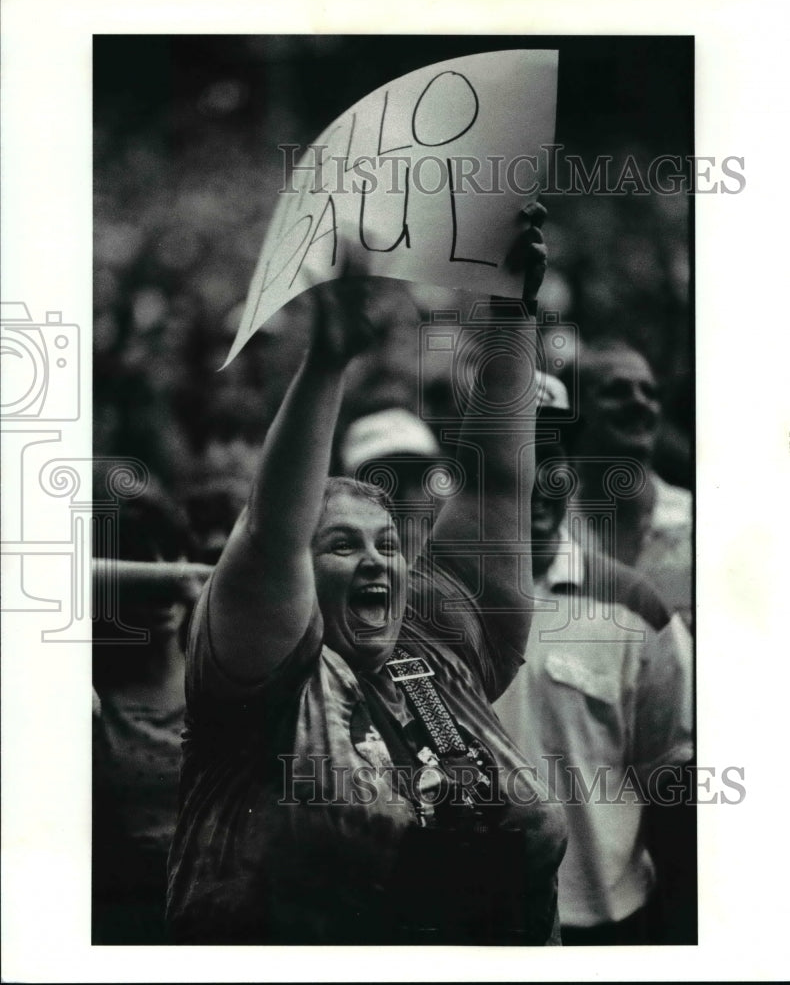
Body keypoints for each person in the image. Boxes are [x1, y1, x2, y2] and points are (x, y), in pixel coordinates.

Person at [166, 206, 569, 946]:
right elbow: (269, 535)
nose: (379, 560)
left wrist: (511, 312)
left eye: (387, 544)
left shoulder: (442, 650)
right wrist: (327, 364)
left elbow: (494, 488)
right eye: (343, 546)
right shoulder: (261, 681)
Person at [495, 373, 695, 944]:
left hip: (605, 924)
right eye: (513, 455)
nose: (536, 479)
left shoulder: (634, 606)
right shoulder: (422, 598)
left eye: (551, 455)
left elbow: (671, 777)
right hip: (466, 925)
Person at [92, 484, 210, 945]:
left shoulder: (225, 681)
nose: (164, 578)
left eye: (171, 554)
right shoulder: (86, 700)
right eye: (139, 560)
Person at [560, 337, 692, 627]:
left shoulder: (697, 525)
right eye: (616, 391)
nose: (640, 402)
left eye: (650, 392)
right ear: (572, 412)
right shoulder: (553, 532)